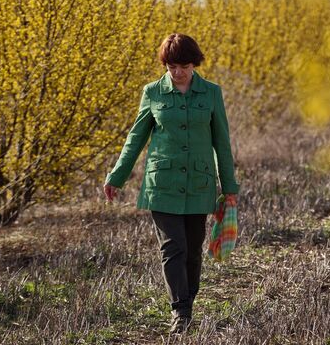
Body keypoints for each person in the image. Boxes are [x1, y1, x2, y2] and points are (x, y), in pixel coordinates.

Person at [103, 33, 240, 333]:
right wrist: (117, 176)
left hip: (199, 183)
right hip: (161, 183)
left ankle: (188, 299)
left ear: (194, 64)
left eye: (184, 66)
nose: (177, 72)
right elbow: (135, 138)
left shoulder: (211, 93)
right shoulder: (153, 92)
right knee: (172, 247)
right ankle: (181, 311)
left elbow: (222, 142)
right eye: (171, 66)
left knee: (192, 248)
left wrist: (229, 187)